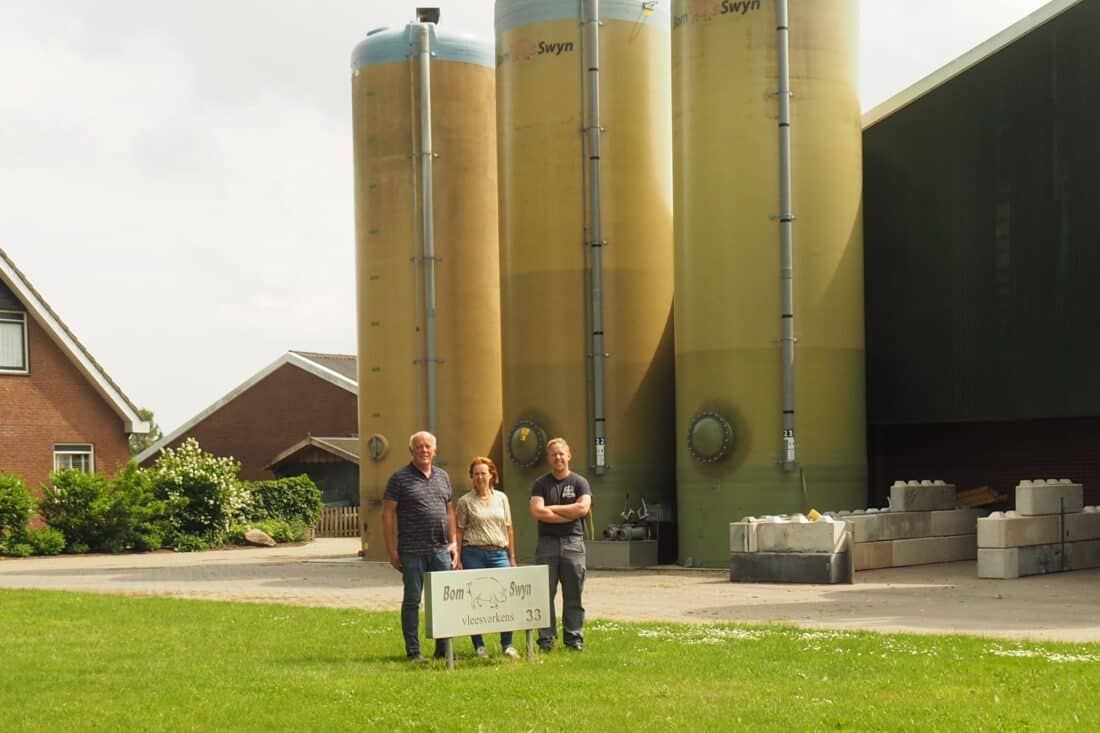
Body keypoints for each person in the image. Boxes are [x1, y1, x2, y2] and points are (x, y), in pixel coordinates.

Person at [382, 430, 458, 662]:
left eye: (428, 447)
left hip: (441, 550)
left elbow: (449, 512)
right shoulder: (399, 478)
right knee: (413, 599)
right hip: (412, 551)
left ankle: (443, 649)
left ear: (434, 451)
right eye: (419, 447)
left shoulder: (443, 477)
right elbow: (387, 515)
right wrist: (392, 551)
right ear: (411, 451)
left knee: (443, 600)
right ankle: (414, 651)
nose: (424, 450)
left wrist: (454, 542)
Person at [529, 437, 591, 652]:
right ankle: (546, 640)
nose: (558, 457)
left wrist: (552, 509)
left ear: (569, 456)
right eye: (554, 454)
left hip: (573, 544)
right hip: (547, 544)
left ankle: (574, 639)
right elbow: (537, 511)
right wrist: (568, 512)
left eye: (561, 453)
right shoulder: (541, 484)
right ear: (549, 458)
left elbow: (583, 509)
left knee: (574, 593)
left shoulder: (580, 482)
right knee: (544, 594)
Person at [454, 456, 520, 660]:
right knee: (477, 600)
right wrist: (458, 558)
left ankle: (507, 644)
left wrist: (512, 557)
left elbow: (508, 528)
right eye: (476, 474)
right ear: (471, 477)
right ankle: (479, 646)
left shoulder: (501, 498)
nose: (480, 477)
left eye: (484, 473)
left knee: (504, 598)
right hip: (474, 553)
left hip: (499, 552)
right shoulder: (465, 502)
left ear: (492, 475)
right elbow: (458, 531)